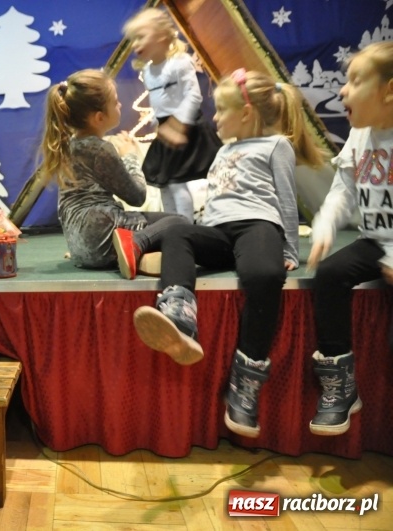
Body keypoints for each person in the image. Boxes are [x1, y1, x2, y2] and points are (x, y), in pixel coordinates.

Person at [132, 69, 325, 438]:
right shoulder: (223, 148)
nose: (216, 118)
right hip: (219, 231)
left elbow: (286, 199)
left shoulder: (275, 145)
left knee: (264, 276)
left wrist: (289, 248)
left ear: (247, 113)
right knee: (176, 232)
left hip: (257, 226)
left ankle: (246, 381)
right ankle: (178, 318)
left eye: (221, 110)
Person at [306, 41, 393, 436]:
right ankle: (340, 385)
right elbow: (343, 189)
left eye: (355, 80)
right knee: (329, 274)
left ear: (388, 91)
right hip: (375, 239)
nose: (342, 90)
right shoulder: (360, 136)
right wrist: (324, 226)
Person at [39, 68, 189, 280]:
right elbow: (137, 197)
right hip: (103, 235)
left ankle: (135, 255)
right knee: (179, 222)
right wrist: (130, 156)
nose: (120, 105)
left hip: (81, 247)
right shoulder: (99, 149)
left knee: (165, 226)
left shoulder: (68, 146)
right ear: (99, 117)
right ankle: (135, 246)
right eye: (115, 102)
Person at [122, 7, 222, 222]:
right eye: (133, 39)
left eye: (141, 37)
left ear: (162, 36)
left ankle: (185, 226)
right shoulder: (148, 71)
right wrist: (158, 122)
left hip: (186, 126)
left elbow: (193, 97)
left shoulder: (180, 62)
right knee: (163, 184)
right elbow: (160, 102)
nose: (135, 44)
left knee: (176, 182)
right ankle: (171, 223)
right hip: (166, 129)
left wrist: (179, 124)